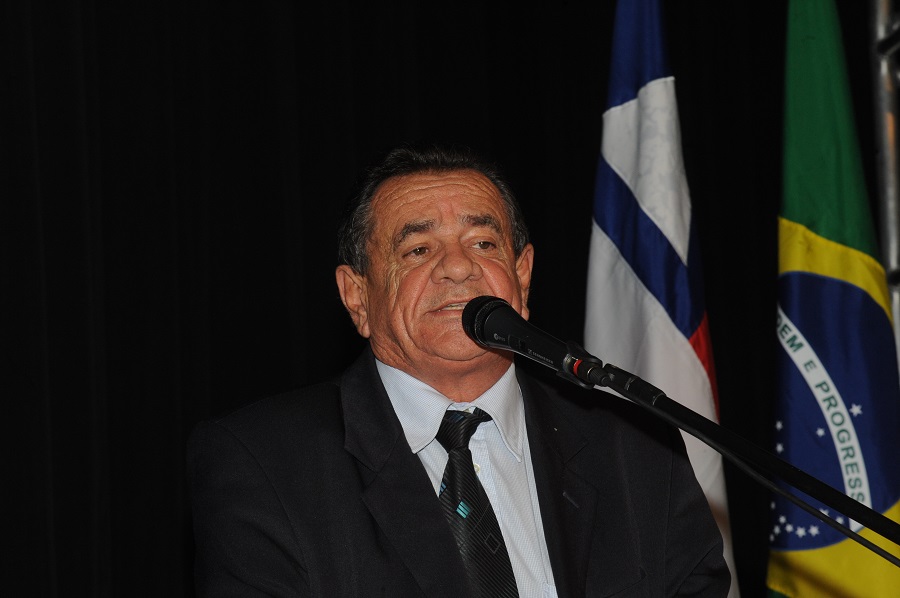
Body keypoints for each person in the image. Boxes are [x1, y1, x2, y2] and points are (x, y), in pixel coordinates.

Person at [187, 142, 731, 597]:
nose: (457, 266)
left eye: (483, 242)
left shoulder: (635, 446)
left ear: (522, 276)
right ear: (356, 295)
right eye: (418, 249)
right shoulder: (264, 464)